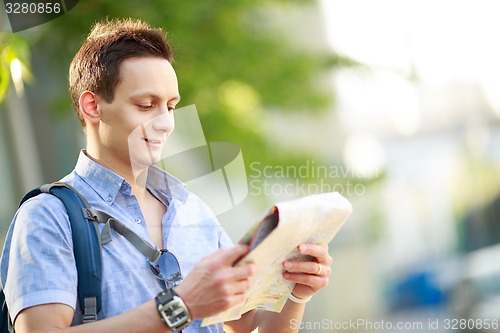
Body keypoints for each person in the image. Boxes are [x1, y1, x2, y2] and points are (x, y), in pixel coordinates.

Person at [0, 18, 333, 333]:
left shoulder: (192, 210)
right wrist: (180, 306)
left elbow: (246, 325)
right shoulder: (47, 216)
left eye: (171, 106)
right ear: (92, 106)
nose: (165, 123)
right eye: (146, 105)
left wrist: (295, 293)